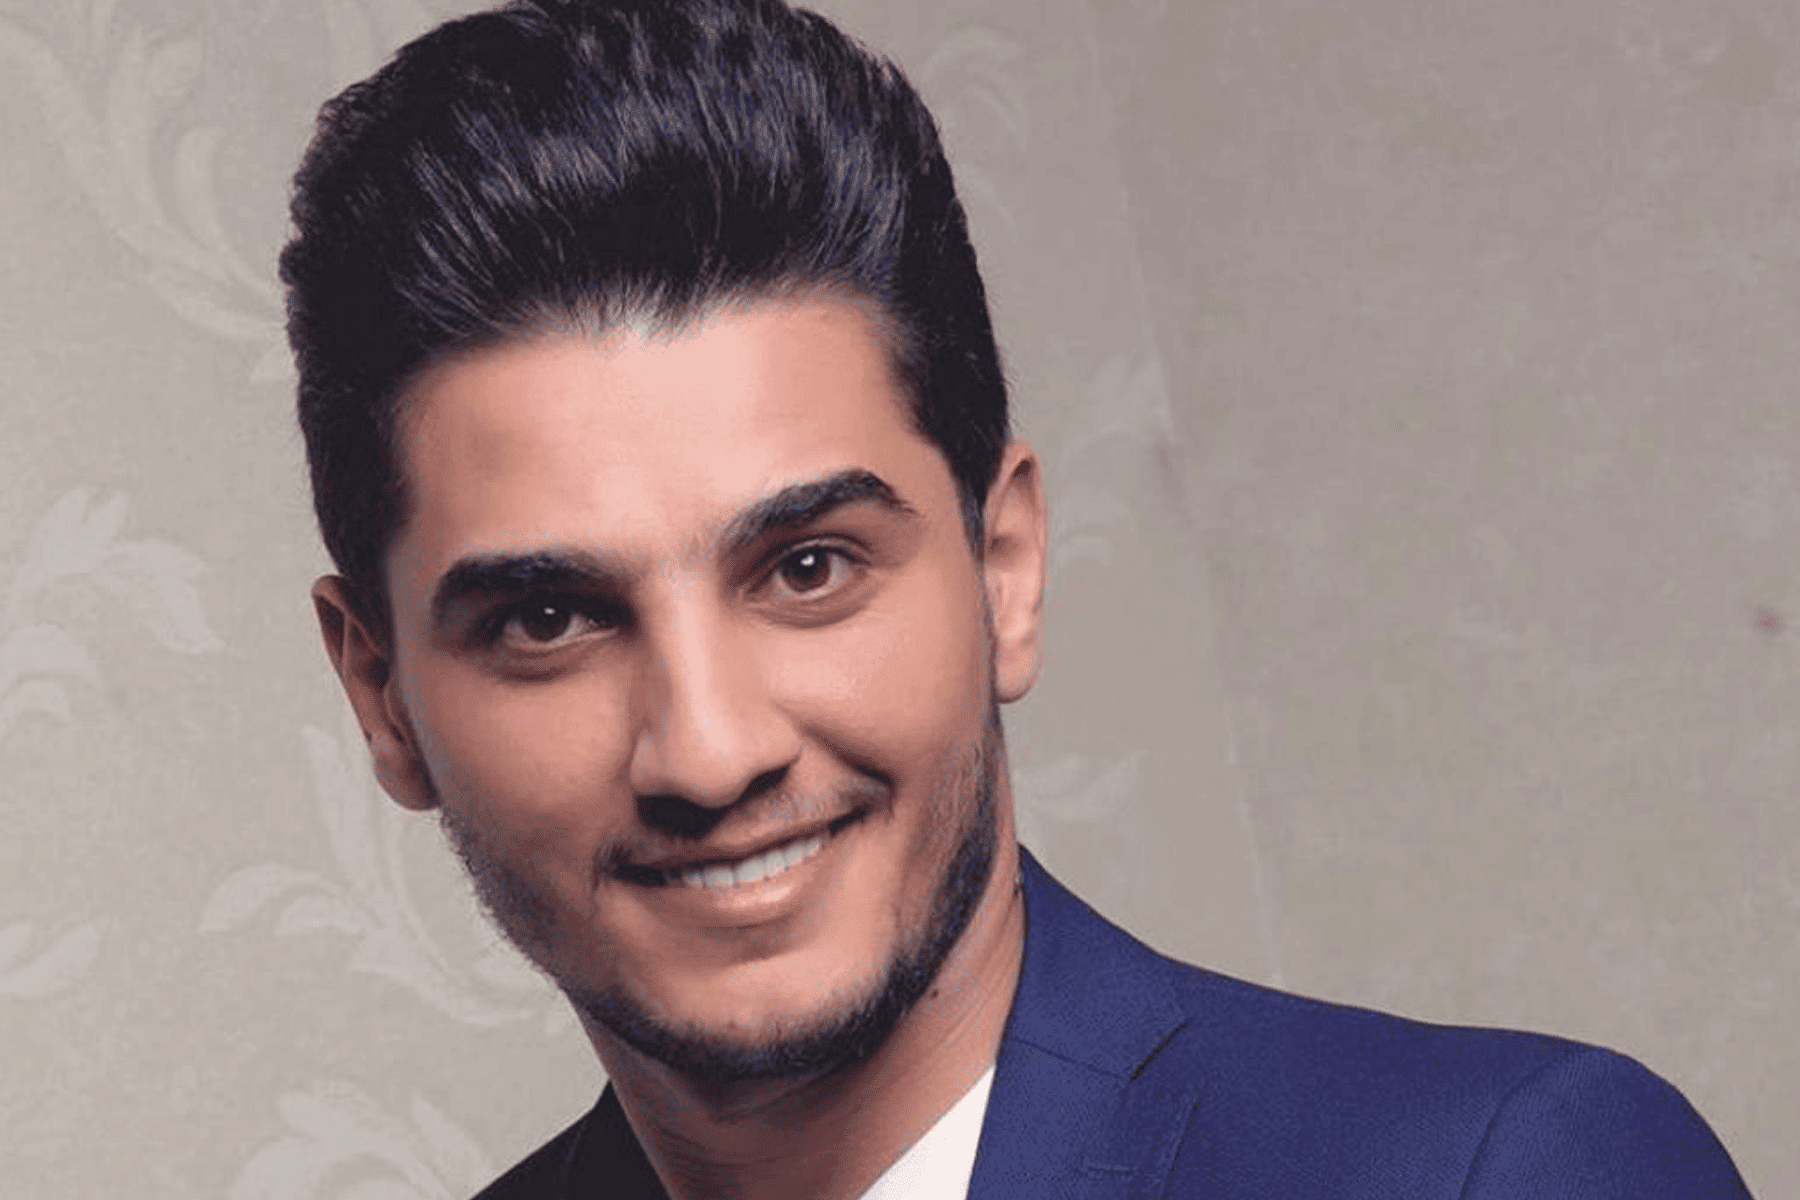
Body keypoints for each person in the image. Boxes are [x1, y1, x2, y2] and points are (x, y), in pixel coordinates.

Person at [279, 1, 1753, 1196]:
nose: (711, 752)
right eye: (549, 621)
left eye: (808, 568)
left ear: (1006, 569)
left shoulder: (1504, 1171)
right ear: (383, 698)